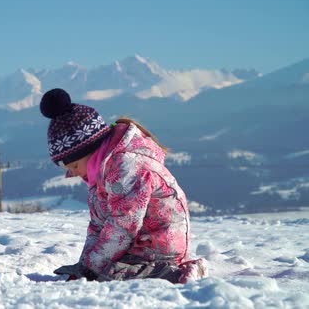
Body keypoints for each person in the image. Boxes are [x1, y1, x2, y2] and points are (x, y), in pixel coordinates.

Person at [40, 88, 207, 283]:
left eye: (74, 166)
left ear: (89, 150)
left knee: (111, 275)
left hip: (159, 246)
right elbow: (98, 227)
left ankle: (178, 274)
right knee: (101, 272)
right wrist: (85, 266)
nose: (73, 174)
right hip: (136, 244)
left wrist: (93, 269)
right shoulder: (99, 176)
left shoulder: (125, 169)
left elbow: (123, 225)